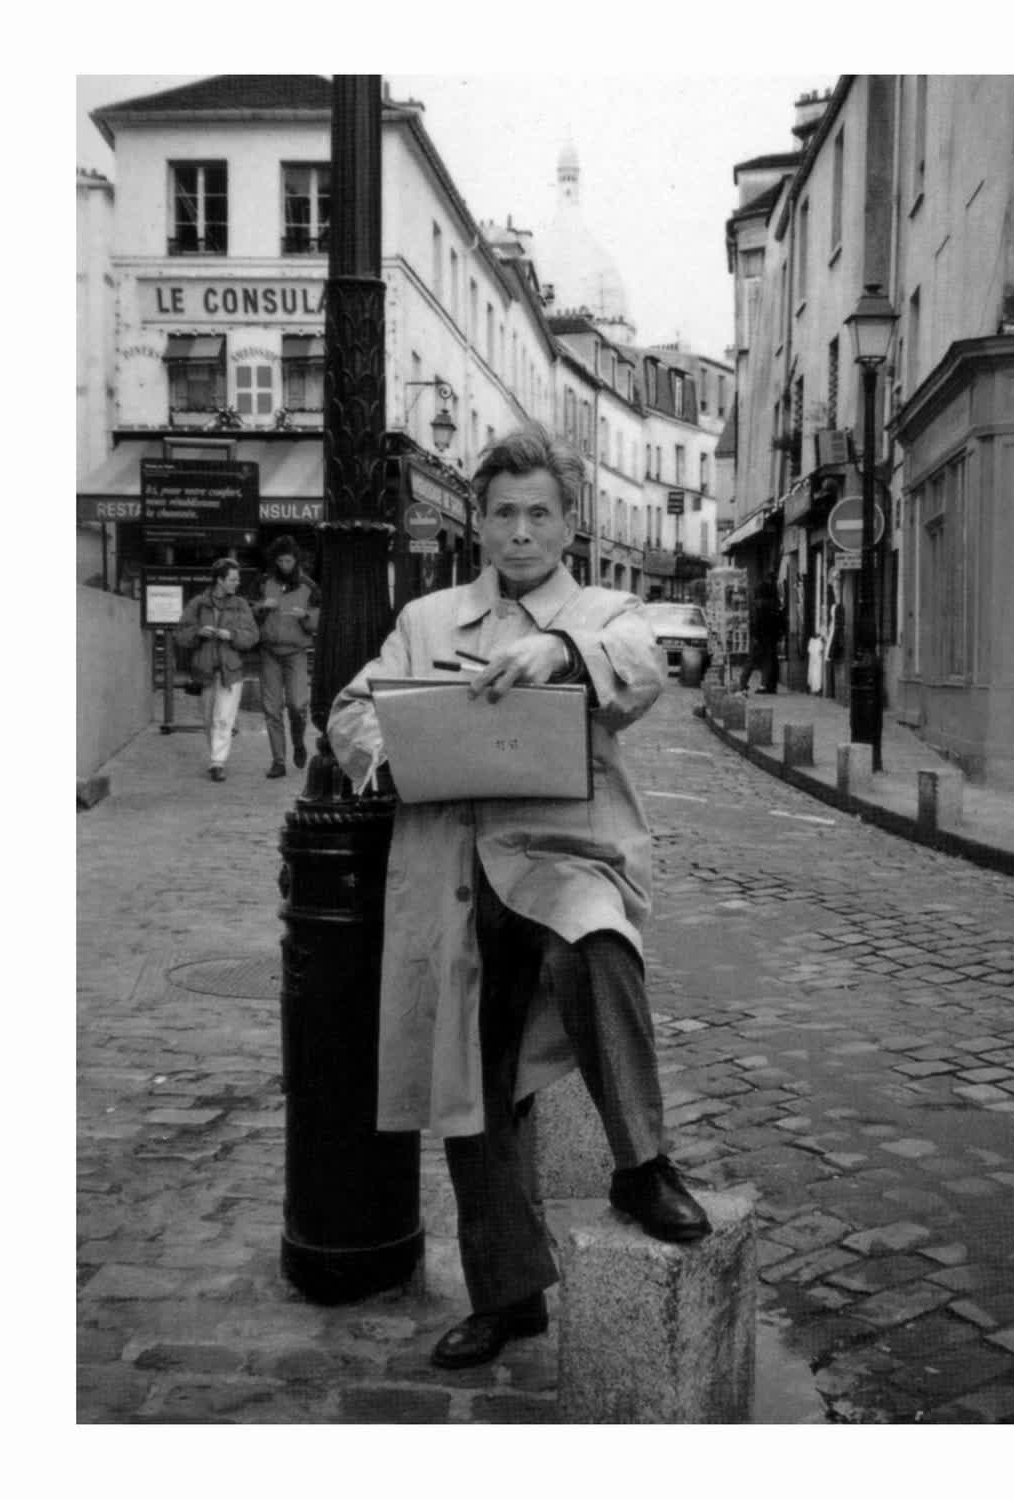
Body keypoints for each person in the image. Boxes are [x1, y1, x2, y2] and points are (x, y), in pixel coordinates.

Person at [328, 424, 711, 1370]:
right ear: (481, 522)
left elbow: (641, 665)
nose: (521, 533)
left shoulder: (607, 609)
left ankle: (640, 1162)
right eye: (503, 514)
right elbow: (351, 708)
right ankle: (507, 1297)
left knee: (595, 945)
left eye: (539, 514)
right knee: (475, 1081)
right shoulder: (427, 619)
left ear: (569, 524)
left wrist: (558, 652)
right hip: (452, 871)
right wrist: (392, 754)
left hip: (566, 856)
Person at [176, 558, 259, 781]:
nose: (237, 583)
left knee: (223, 719)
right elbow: (180, 634)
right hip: (204, 670)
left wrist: (232, 635)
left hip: (231, 670)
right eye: (233, 579)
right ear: (220, 580)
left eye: (237, 579)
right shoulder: (198, 603)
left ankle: (217, 762)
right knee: (208, 720)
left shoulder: (241, 604)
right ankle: (216, 756)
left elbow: (253, 636)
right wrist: (198, 632)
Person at [253, 535, 320, 778]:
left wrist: (306, 616)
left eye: (288, 561)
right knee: (271, 709)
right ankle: (278, 761)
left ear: (296, 560)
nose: (284, 565)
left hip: (296, 652)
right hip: (269, 651)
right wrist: (262, 607)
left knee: (297, 704)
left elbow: (318, 622)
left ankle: (298, 742)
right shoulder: (264, 582)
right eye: (280, 561)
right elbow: (249, 613)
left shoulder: (309, 586)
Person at [739, 580, 783, 694]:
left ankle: (743, 684)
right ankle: (764, 685)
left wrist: (755, 636)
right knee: (768, 661)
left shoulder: (757, 605)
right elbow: (779, 622)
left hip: (759, 637)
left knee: (751, 660)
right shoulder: (774, 604)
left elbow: (755, 622)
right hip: (771, 637)